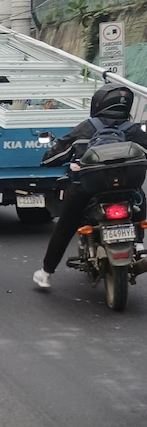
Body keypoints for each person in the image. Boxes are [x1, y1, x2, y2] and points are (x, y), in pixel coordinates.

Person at [33, 83, 147, 288]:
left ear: (99, 103)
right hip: (126, 192)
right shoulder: (133, 130)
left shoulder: (86, 127)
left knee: (64, 228)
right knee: (140, 196)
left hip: (88, 191)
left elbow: (56, 154)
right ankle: (138, 241)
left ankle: (46, 273)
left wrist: (47, 159)